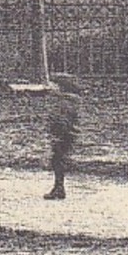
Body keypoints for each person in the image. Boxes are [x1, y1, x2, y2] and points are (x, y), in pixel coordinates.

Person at [45, 72, 83, 200]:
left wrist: (57, 135)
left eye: (53, 84)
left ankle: (59, 188)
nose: (50, 87)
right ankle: (58, 187)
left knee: (58, 161)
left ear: (61, 87)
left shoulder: (65, 102)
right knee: (58, 161)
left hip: (63, 135)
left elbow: (62, 120)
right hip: (65, 134)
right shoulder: (68, 100)